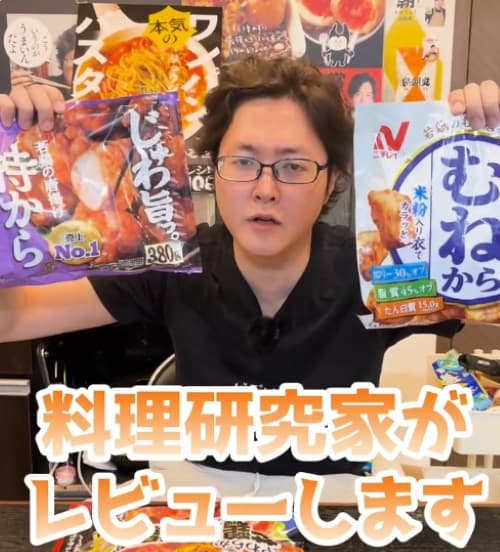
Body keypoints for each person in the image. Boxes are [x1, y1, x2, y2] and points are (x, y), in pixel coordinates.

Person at [0, 56, 499, 500]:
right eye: (242, 161)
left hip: (334, 514)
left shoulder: (374, 270)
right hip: (202, 513)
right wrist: (12, 164)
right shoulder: (175, 263)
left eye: (293, 166)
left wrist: (490, 151)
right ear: (214, 170)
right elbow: (13, 318)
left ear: (332, 180)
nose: (265, 189)